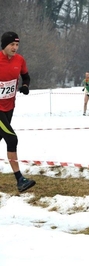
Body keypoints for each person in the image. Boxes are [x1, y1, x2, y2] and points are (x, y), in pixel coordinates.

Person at [0, 31, 35, 192]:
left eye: (17, 44)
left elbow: (26, 77)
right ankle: (20, 180)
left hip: (9, 107)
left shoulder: (19, 60)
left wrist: (25, 86)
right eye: (11, 44)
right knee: (12, 139)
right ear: (4, 45)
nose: (15, 48)